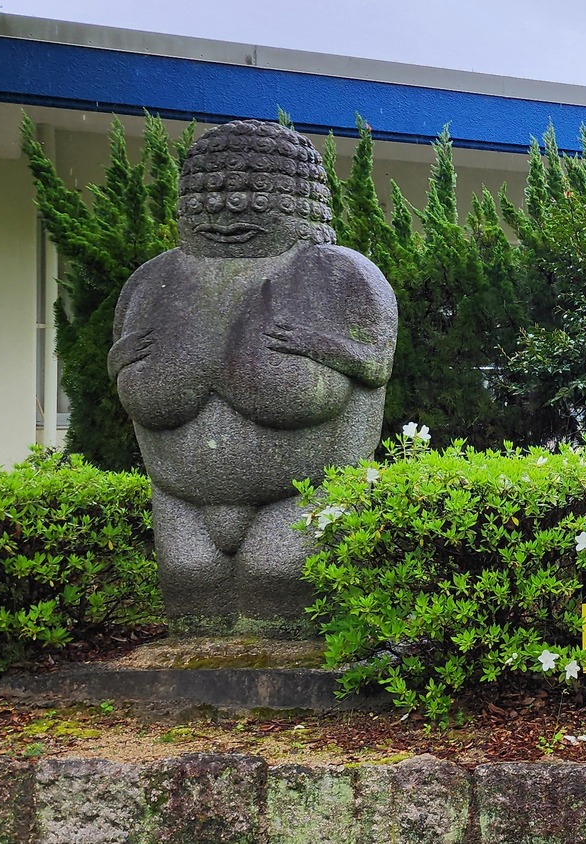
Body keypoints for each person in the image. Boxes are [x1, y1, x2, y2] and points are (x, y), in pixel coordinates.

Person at [111, 120, 396, 636]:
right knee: (190, 591)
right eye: (206, 202)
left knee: (280, 584)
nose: (224, 216)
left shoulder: (340, 275)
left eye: (256, 203)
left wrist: (319, 346)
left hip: (304, 489)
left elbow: (376, 365)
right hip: (179, 493)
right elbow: (119, 365)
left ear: (297, 200)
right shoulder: (151, 283)